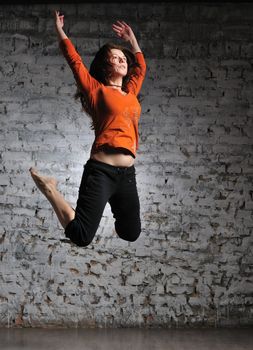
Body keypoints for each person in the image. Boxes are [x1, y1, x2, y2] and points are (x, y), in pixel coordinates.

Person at [29, 10, 146, 247]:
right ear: (105, 66)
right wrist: (60, 30)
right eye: (115, 58)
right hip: (101, 171)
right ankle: (50, 189)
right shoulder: (96, 91)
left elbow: (141, 67)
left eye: (123, 57)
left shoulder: (131, 92)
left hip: (127, 175)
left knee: (131, 233)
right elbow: (74, 61)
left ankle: (110, 202)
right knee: (81, 236)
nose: (122, 60)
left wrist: (132, 41)